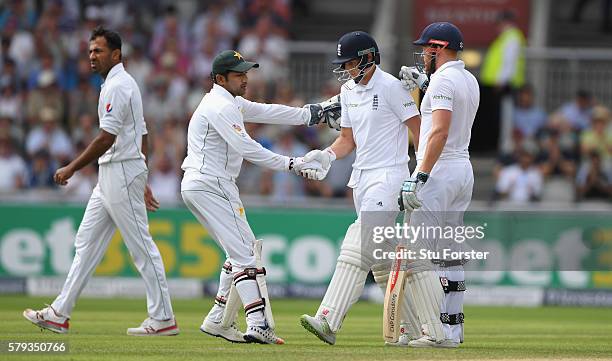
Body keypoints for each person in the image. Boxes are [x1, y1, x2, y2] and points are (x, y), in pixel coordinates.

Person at [23, 26, 178, 336]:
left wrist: (71, 168)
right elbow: (142, 132)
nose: (91, 56)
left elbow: (106, 138)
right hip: (116, 172)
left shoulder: (119, 86)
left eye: (98, 51)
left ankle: (163, 318)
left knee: (141, 247)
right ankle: (59, 313)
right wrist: (142, 174)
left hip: (120, 170)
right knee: (86, 243)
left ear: (116, 54)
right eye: (90, 50)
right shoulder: (117, 84)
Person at [180, 49, 338, 344]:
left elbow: (268, 111)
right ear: (220, 78)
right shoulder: (220, 106)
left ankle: (217, 319)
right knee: (246, 257)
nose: (245, 79)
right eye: (238, 74)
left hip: (204, 185)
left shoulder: (230, 102)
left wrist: (310, 114)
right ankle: (258, 323)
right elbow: (248, 148)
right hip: (212, 184)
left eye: (246, 73)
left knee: (237, 253)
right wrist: (292, 163)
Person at [297, 31, 421, 345]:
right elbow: (347, 140)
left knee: (358, 243)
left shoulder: (393, 87)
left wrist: (422, 175)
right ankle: (412, 328)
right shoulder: (348, 90)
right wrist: (325, 156)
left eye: (351, 63)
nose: (347, 69)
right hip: (362, 180)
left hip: (390, 176)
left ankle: (328, 319)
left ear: (368, 58)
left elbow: (420, 133)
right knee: (381, 261)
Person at [398, 22, 479, 347]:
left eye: (425, 49)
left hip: (440, 170)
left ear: (438, 48)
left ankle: (430, 330)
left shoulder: (443, 81)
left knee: (422, 253)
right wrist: (426, 83)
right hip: (463, 169)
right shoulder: (467, 77)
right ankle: (450, 330)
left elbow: (440, 131)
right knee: (450, 253)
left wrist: (420, 175)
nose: (422, 54)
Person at [475, 11, 526, 152]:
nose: (497, 27)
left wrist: (501, 80)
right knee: (503, 117)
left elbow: (509, 62)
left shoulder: (511, 37)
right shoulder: (506, 38)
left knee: (505, 118)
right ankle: (503, 146)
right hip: (500, 84)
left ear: (505, 23)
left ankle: (506, 148)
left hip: (504, 85)